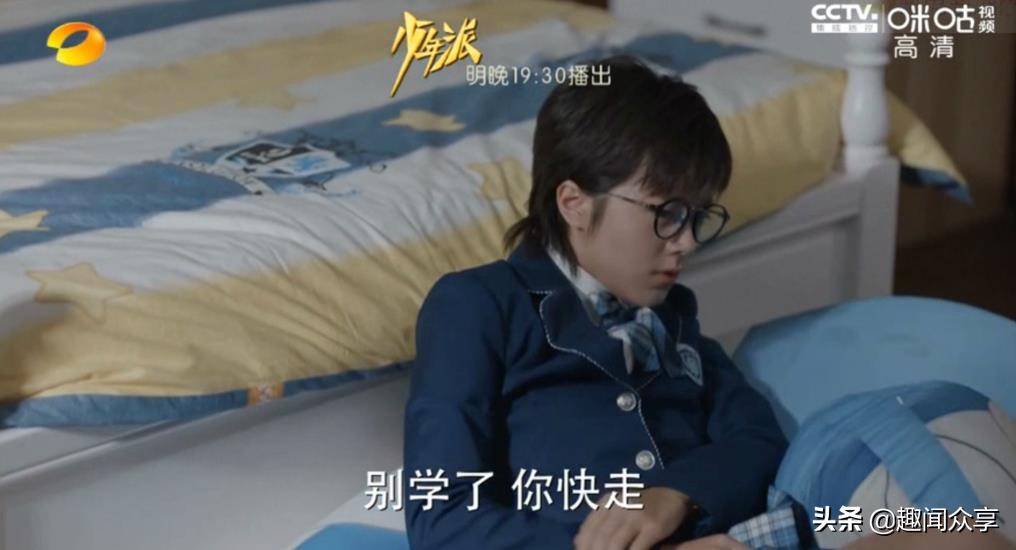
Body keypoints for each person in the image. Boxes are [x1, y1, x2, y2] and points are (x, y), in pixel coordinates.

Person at [403, 54, 789, 550]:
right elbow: (442, 516)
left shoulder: (677, 324)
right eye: (668, 213)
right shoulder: (481, 305)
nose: (688, 241)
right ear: (575, 203)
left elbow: (760, 442)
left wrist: (676, 493)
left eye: (697, 217)